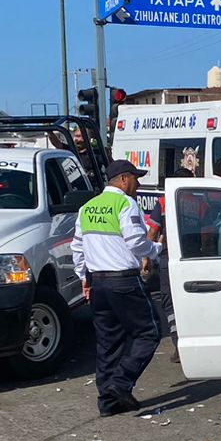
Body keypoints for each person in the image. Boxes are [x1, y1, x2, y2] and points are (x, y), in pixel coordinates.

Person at [72, 161, 164, 416]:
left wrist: (84, 278)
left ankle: (108, 402)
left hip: (98, 283)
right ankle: (121, 384)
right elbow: (136, 241)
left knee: (108, 342)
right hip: (124, 281)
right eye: (136, 178)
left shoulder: (87, 208)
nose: (138, 184)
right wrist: (155, 250)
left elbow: (77, 247)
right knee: (149, 332)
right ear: (123, 179)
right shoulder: (125, 203)